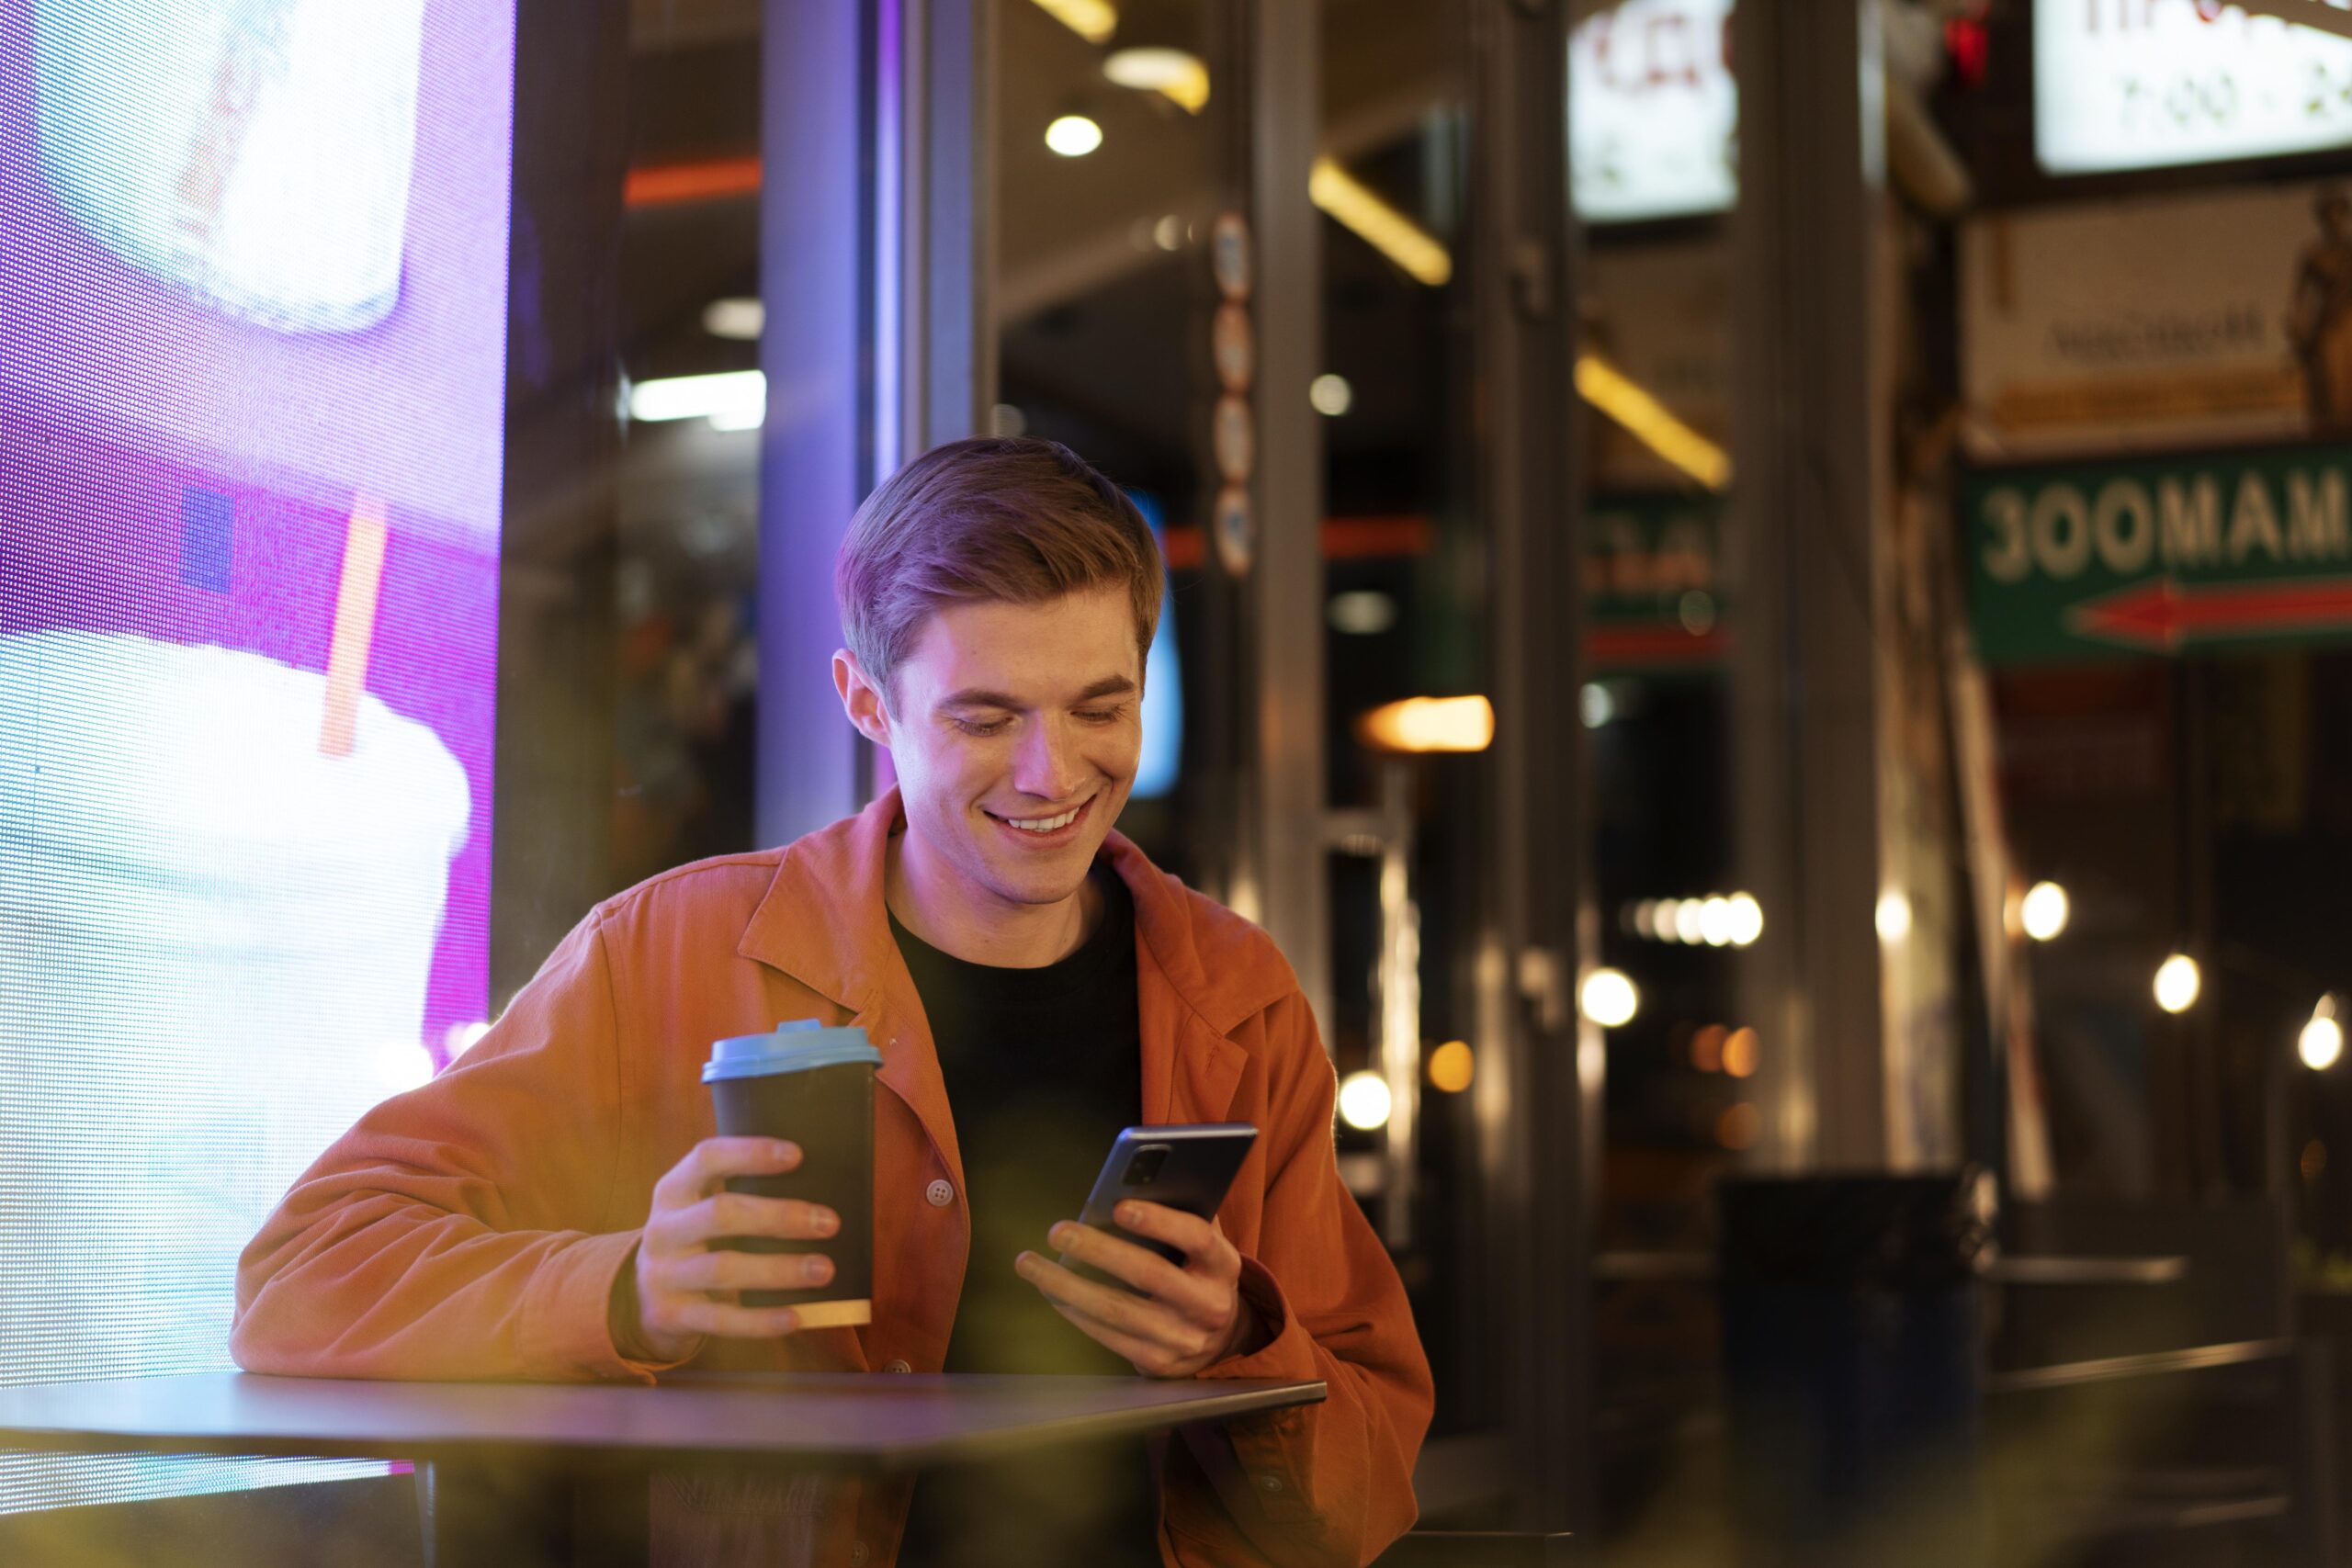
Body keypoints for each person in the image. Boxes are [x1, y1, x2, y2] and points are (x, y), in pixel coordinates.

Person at [232, 436, 1434, 1568]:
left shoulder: (1236, 994)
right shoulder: (664, 953)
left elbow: (1369, 1494)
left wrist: (1238, 1347)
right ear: (867, 703)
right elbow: (301, 1277)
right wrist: (624, 1291)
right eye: (986, 716)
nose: (1052, 771)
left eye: (1098, 709)